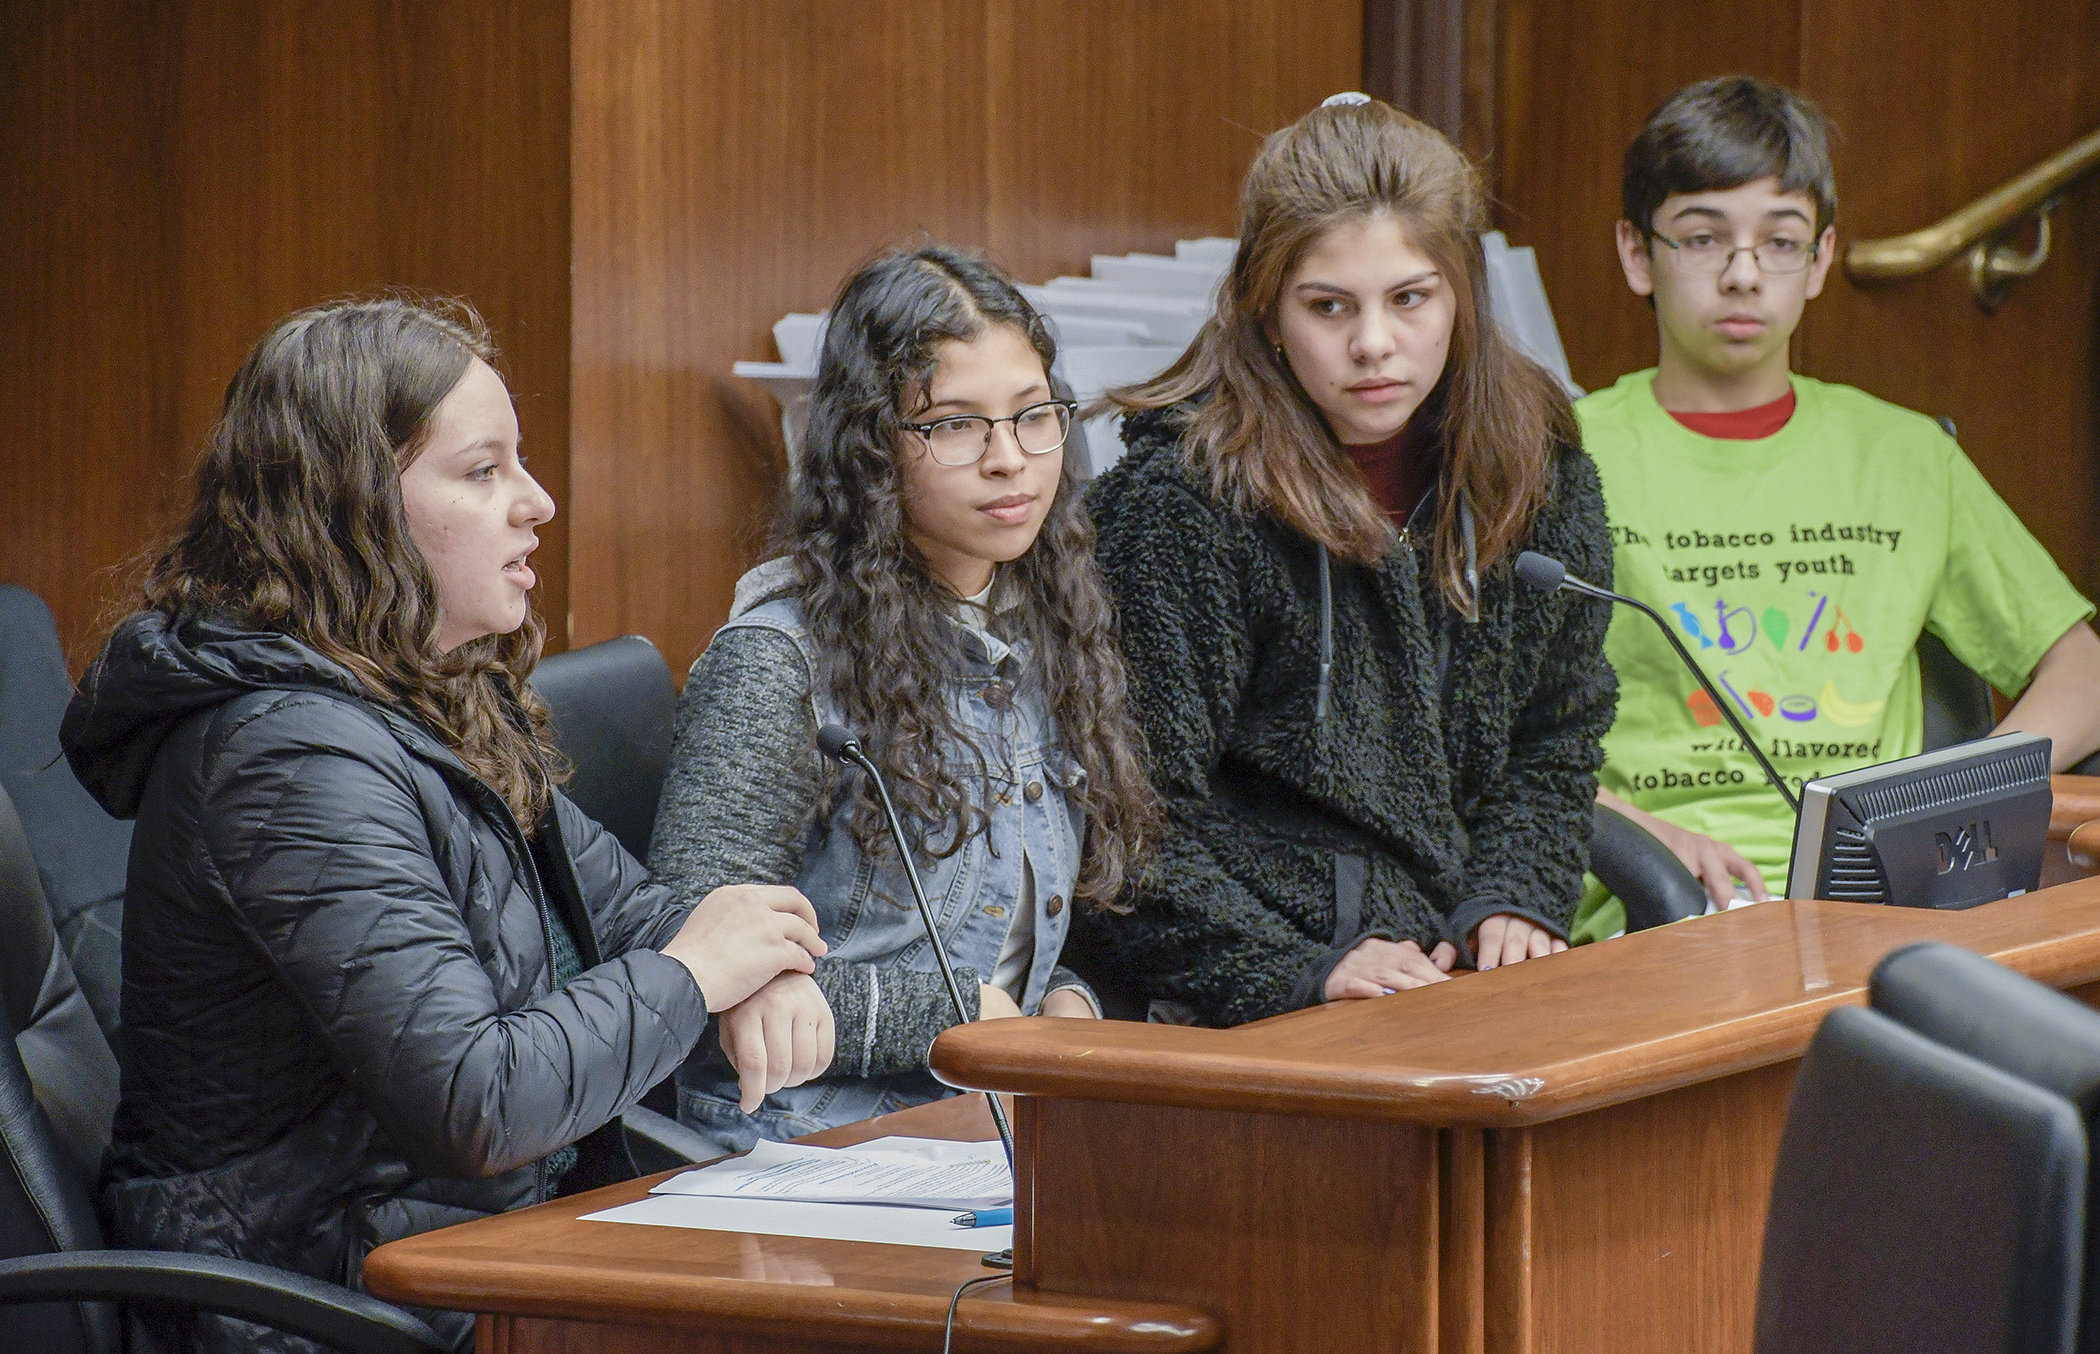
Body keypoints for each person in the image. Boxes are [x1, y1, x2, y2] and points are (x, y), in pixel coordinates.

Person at [60, 298, 831, 1354]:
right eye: (483, 472)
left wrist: (754, 965)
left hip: (478, 1263)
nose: (538, 502)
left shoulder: (435, 700)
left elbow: (635, 916)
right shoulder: (285, 758)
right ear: (350, 509)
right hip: (321, 1307)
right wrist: (699, 975)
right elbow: (479, 1102)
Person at [1061, 96, 1614, 1029]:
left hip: (1460, 967)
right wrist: (1304, 968)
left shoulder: (1533, 466)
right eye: (1329, 307)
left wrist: (1518, 891)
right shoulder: (1179, 507)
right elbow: (1125, 834)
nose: (1373, 345)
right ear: (1267, 311)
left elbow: (1555, 736)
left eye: (1410, 298)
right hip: (1260, 986)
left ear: (1462, 298)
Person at [648, 248, 1158, 1154]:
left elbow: (1003, 929)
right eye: (958, 426)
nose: (1010, 461)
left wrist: (1065, 998)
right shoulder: (778, 661)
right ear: (874, 447)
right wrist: (962, 1014)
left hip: (988, 1118)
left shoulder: (1047, 627)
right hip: (807, 1141)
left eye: (1033, 415)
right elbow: (688, 973)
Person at [1576, 77, 2100, 938]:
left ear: (1820, 261)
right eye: (1704, 238)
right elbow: (1490, 732)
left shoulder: (1905, 456)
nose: (1744, 275)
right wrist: (1644, 834)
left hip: (1884, 893)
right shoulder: (1564, 457)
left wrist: (1951, 804)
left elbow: (2079, 670)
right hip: (1661, 902)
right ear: (1638, 254)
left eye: (1780, 242)